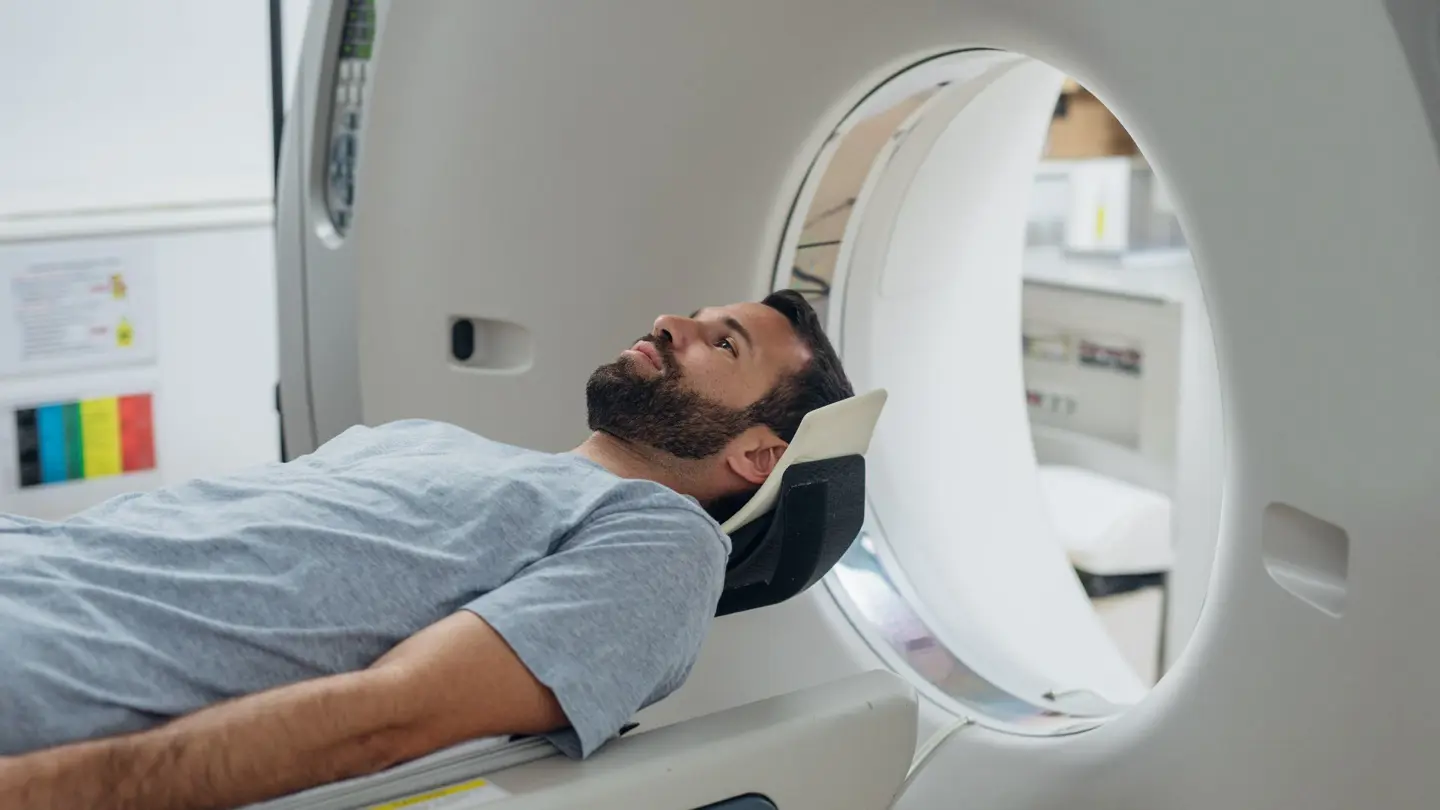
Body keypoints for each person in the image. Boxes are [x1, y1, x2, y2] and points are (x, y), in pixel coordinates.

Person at [0, 289, 853, 810]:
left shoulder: (665, 544)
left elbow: (386, 717)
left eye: (723, 343)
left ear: (758, 455)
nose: (669, 323)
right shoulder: (424, 437)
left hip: (39, 675)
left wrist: (43, 792)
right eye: (695, 316)